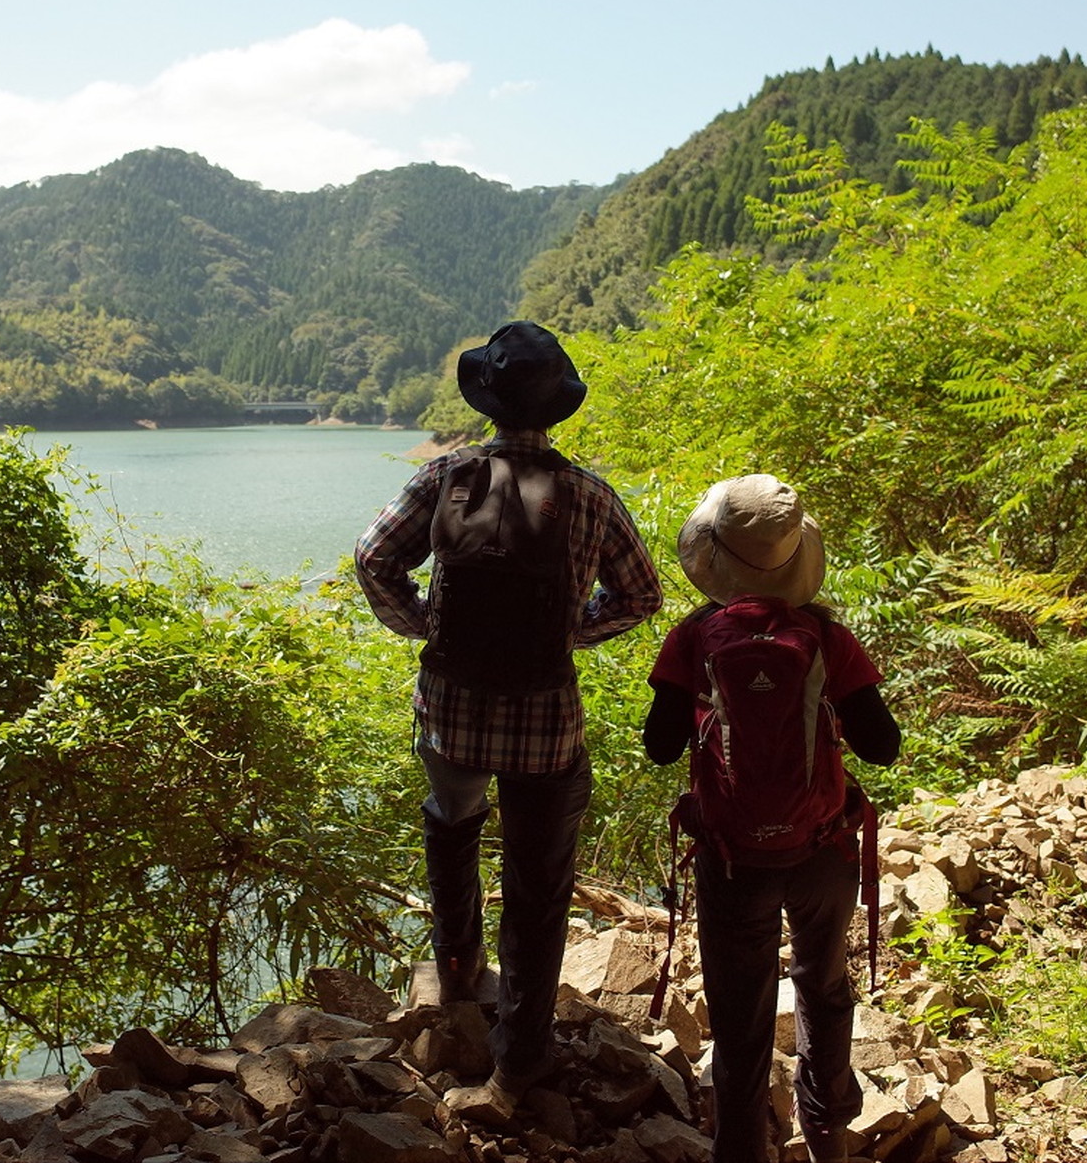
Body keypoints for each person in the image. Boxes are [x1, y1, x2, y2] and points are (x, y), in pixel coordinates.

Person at [355, 321, 662, 1108]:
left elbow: (372, 558)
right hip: (545, 721)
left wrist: (424, 622)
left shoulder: (446, 477)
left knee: (451, 822)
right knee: (539, 881)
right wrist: (571, 630)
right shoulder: (590, 494)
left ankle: (458, 974)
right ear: (556, 408)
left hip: (450, 709)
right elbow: (641, 596)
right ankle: (520, 1058)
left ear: (488, 403)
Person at [643, 474, 900, 1163]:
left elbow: (658, 747)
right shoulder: (823, 634)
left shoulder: (696, 634)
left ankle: (740, 1148)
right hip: (821, 852)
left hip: (734, 862)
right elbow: (885, 747)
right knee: (823, 984)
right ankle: (826, 1133)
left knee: (741, 1017)